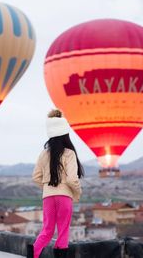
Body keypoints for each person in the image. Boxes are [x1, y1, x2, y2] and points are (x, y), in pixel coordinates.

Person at [27, 109, 84, 258]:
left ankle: (32, 255)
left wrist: (47, 188)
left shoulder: (43, 153)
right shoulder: (69, 153)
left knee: (46, 231)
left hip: (48, 197)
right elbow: (72, 179)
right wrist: (77, 193)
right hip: (65, 197)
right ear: (66, 134)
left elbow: (36, 177)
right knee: (63, 231)